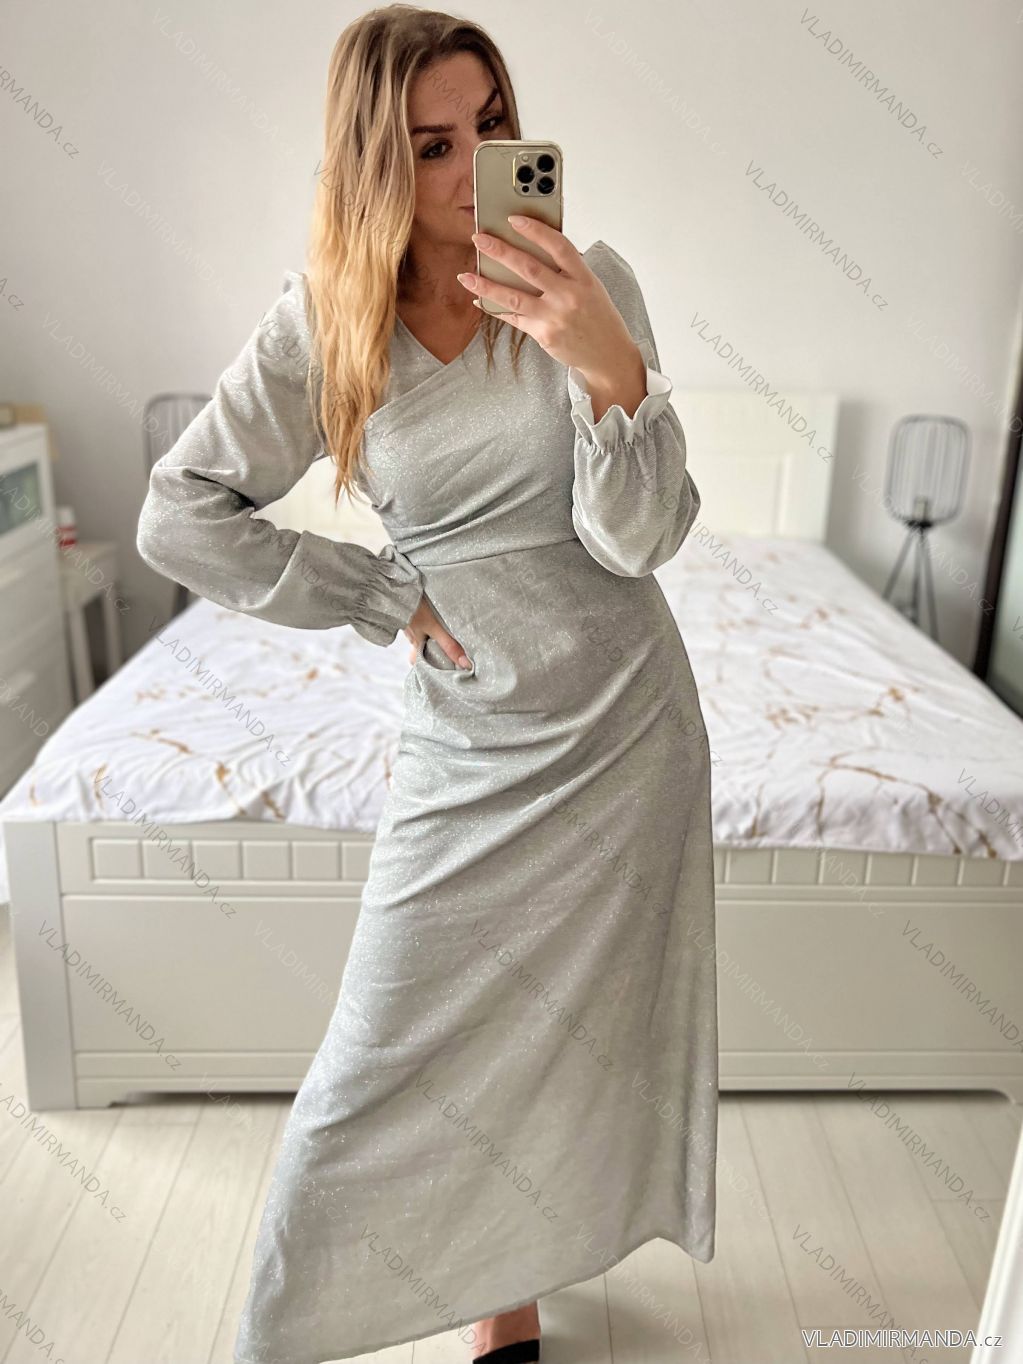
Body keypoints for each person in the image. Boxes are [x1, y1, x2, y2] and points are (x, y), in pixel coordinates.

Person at [136, 6, 718, 1362]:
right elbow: (181, 513)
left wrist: (606, 361)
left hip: (625, 730)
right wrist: (376, 594)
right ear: (374, 162)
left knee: (573, 1038)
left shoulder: (591, 281)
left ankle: (508, 1301)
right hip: (472, 741)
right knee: (379, 1060)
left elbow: (636, 541)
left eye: (492, 128)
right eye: (434, 144)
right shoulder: (326, 321)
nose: (472, 168)